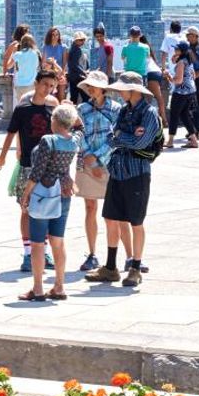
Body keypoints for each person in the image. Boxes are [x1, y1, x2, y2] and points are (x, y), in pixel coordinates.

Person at [84, 72, 161, 289]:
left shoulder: (149, 113)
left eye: (122, 88)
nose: (119, 92)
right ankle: (110, 267)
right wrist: (127, 136)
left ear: (133, 90)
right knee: (111, 218)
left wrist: (121, 137)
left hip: (137, 172)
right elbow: (111, 136)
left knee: (136, 221)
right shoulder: (124, 110)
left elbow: (140, 143)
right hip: (117, 170)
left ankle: (135, 267)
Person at [0, 70, 58, 273]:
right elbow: (11, 133)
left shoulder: (53, 109)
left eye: (52, 86)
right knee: (26, 209)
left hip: (48, 167)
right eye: (45, 84)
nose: (48, 89)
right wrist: (2, 156)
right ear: (36, 83)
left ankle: (43, 251)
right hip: (27, 164)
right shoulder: (22, 109)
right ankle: (28, 253)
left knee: (46, 210)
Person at [18, 103, 83, 302]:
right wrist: (73, 114)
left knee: (38, 243)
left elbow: (37, 172)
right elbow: (81, 128)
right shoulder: (74, 140)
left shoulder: (48, 140)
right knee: (58, 240)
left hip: (44, 193)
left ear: (55, 120)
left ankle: (38, 288)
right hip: (63, 191)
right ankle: (59, 286)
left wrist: (26, 194)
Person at [75, 71, 122, 273]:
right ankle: (92, 253)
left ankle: (118, 255)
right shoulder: (81, 108)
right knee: (90, 207)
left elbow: (116, 136)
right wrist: (89, 157)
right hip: (86, 162)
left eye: (93, 85)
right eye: (89, 85)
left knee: (113, 212)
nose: (90, 89)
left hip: (108, 162)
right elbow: (78, 133)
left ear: (103, 88)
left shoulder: (116, 108)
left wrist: (98, 158)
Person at [165, 42, 199, 148]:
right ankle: (194, 140)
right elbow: (193, 76)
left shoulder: (181, 62)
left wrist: (169, 76)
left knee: (174, 115)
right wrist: (175, 59)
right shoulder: (188, 60)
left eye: (177, 49)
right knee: (184, 116)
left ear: (181, 51)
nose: (174, 51)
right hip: (190, 91)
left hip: (181, 92)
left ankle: (170, 141)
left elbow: (178, 80)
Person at [138, 34, 166, 126]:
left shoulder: (140, 49)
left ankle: (163, 120)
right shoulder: (148, 49)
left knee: (153, 98)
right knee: (157, 97)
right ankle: (161, 119)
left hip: (150, 73)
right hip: (156, 72)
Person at [12, 33, 41, 103]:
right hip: (31, 83)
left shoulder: (17, 54)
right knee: (31, 104)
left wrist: (14, 51)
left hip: (19, 84)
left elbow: (12, 66)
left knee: (21, 104)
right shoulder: (36, 53)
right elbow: (39, 66)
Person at [42, 27, 69, 99]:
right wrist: (48, 63)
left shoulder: (63, 47)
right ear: (50, 36)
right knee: (48, 97)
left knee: (61, 97)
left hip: (60, 75)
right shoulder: (45, 47)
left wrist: (63, 74)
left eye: (57, 35)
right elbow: (43, 63)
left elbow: (65, 63)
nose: (55, 37)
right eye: (53, 35)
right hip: (49, 75)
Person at [66, 31, 90, 104]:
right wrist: (84, 73)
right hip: (78, 77)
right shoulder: (77, 50)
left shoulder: (72, 49)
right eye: (81, 40)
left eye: (83, 40)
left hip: (72, 77)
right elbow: (74, 65)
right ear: (76, 40)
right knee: (86, 98)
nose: (83, 42)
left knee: (73, 98)